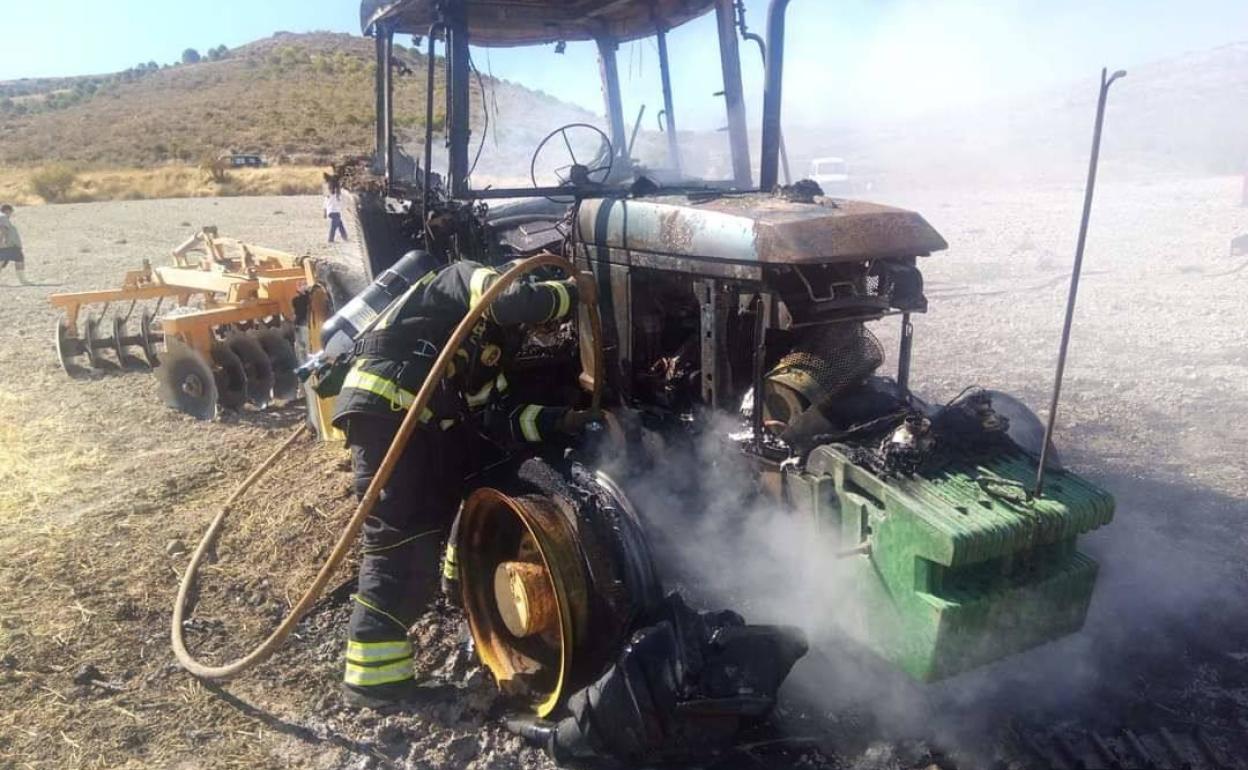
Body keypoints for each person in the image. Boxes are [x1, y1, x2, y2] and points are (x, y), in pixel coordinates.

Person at [330, 254, 596, 709]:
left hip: (425, 425)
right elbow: (509, 301)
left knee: (476, 482)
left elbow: (499, 418)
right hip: (387, 415)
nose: (539, 329)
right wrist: (576, 293)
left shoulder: (491, 352)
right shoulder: (464, 277)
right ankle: (371, 682)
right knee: (399, 542)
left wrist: (564, 420)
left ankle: (459, 588)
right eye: (541, 317)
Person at [0, 205, 30, 285]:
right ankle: (23, 281)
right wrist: (2, 240)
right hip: (9, 245)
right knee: (19, 259)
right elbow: (3, 229)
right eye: (11, 212)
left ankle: (23, 280)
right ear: (7, 210)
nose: (11, 214)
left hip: (8, 245)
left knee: (3, 260)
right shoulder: (3, 217)